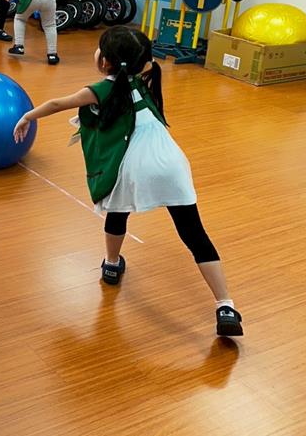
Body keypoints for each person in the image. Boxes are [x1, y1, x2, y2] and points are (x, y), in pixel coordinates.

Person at [12, 26, 243, 337]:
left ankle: (111, 263)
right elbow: (145, 61)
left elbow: (56, 104)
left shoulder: (101, 89)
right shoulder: (145, 75)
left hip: (133, 166)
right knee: (194, 235)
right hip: (172, 164)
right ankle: (225, 305)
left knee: (117, 214)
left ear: (105, 61)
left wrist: (27, 117)